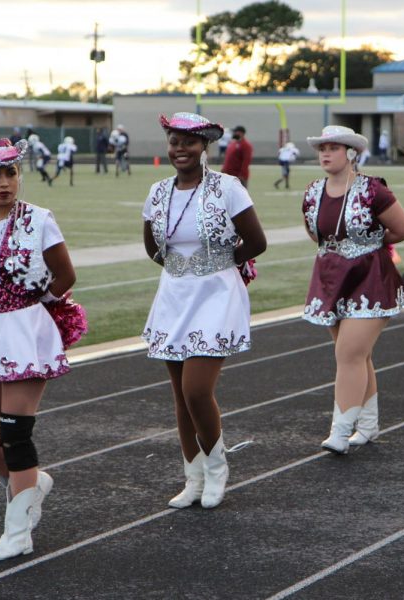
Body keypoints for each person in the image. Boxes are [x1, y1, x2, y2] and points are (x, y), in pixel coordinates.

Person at [0, 138, 79, 560]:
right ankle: (32, 482)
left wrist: (34, 314)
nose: (4, 183)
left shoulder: (39, 218)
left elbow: (64, 275)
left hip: (25, 332)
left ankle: (18, 531)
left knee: (15, 435)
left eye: (10, 173)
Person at [142, 112, 266, 509]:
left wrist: (217, 266)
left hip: (216, 294)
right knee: (180, 395)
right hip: (174, 296)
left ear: (204, 146)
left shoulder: (228, 188)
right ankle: (192, 478)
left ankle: (217, 469)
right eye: (174, 142)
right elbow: (152, 247)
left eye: (189, 142)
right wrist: (183, 270)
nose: (180, 149)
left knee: (197, 390)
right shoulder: (158, 192)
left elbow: (256, 241)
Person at [300, 125, 404, 453]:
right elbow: (315, 233)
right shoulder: (312, 191)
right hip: (332, 278)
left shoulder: (372, 189)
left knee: (348, 354)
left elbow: (402, 229)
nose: (324, 153)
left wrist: (369, 245)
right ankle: (368, 424)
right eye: (322, 147)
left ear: (351, 153)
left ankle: (340, 430)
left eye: (333, 147)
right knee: (356, 356)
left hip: (370, 278)